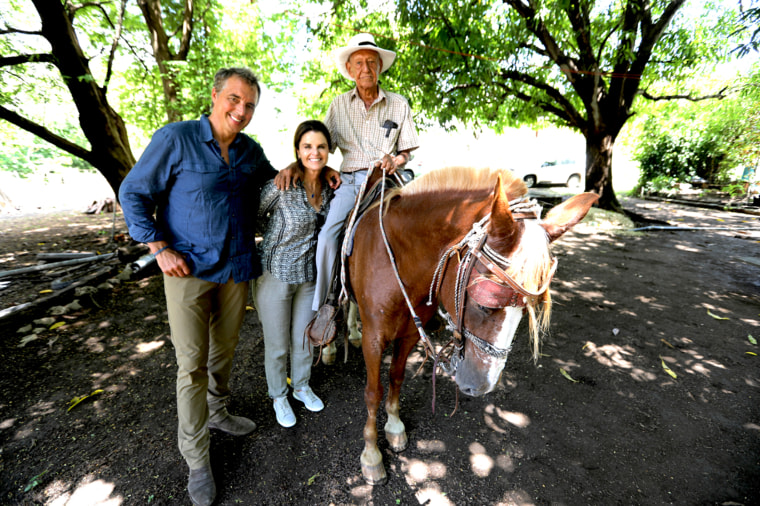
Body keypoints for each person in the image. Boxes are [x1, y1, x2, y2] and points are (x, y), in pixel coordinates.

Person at [119, 67, 276, 506]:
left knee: (223, 352)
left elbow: (274, 184)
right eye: (234, 99)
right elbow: (133, 191)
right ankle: (196, 459)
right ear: (215, 96)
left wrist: (314, 173)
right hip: (186, 270)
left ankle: (219, 413)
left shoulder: (249, 152)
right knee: (191, 363)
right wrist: (158, 247)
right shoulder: (177, 138)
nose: (240, 110)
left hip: (235, 269)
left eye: (249, 105)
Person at [275, 32, 420, 314]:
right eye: (359, 63)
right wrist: (316, 165)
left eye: (371, 62)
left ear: (379, 66)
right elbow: (320, 145)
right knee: (328, 236)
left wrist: (396, 159)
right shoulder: (338, 105)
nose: (365, 68)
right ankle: (324, 306)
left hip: (388, 180)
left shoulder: (399, 104)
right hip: (352, 179)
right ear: (351, 69)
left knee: (416, 230)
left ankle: (421, 302)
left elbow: (407, 151)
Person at [254, 120, 334, 427]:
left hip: (309, 277)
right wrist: (274, 241)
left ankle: (300, 386)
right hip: (275, 274)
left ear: (329, 151)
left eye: (321, 146)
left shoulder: (330, 187)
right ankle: (278, 395)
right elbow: (255, 216)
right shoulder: (281, 184)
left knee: (304, 339)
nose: (315, 152)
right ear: (298, 151)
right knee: (276, 344)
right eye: (308, 146)